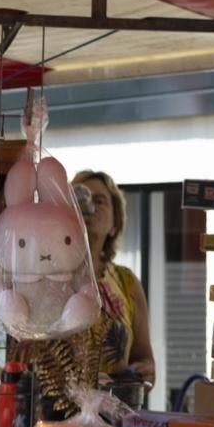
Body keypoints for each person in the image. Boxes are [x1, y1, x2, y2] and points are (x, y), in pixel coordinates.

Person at [73, 170, 156, 396]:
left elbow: (144, 360)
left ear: (114, 224)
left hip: (115, 418)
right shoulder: (47, 275)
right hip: (55, 417)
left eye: (99, 201)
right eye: (81, 199)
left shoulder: (126, 283)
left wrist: (146, 371)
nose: (90, 206)